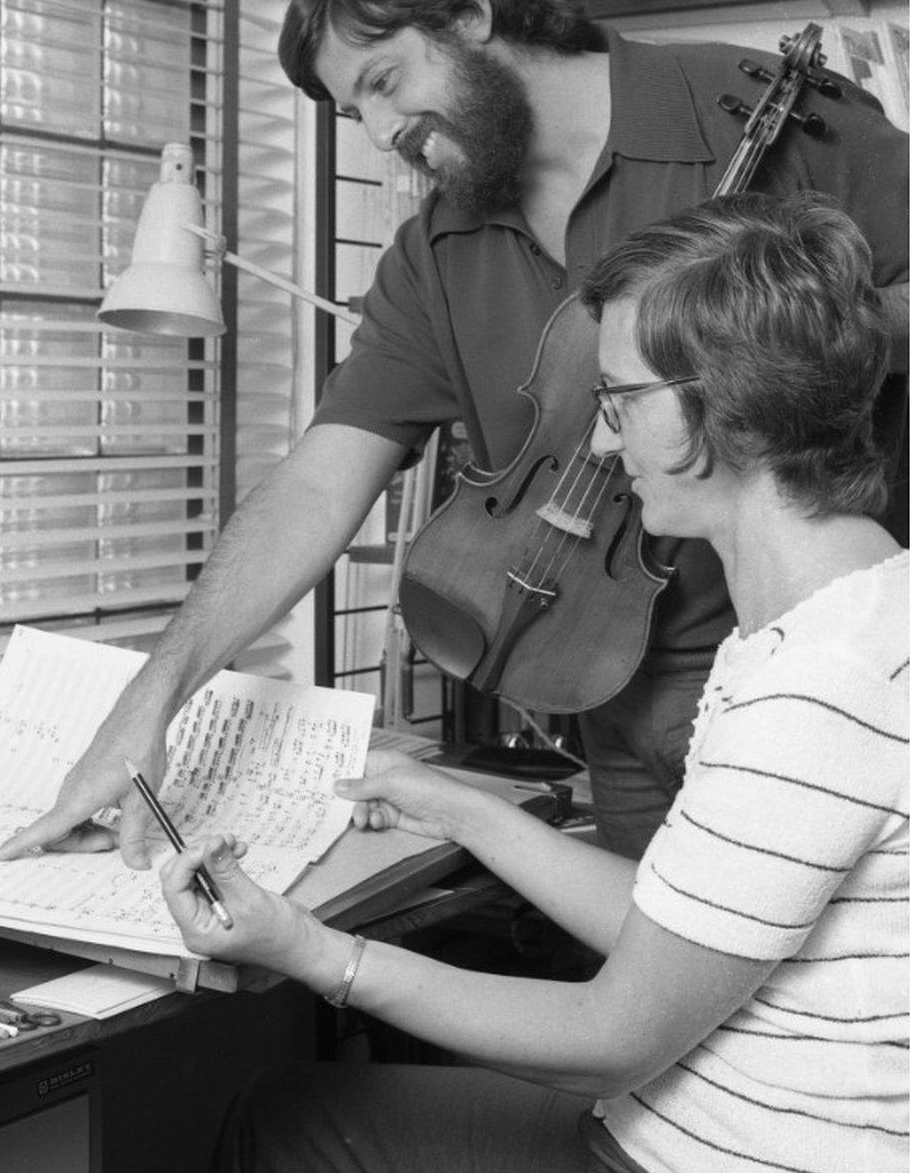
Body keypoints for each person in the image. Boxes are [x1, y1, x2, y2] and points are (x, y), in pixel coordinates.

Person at [0, 0, 909, 866]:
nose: (381, 129)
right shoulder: (433, 251)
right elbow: (316, 482)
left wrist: (778, 330)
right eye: (356, 108)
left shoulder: (752, 111)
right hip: (606, 693)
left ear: (472, 16)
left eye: (387, 80)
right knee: (674, 1010)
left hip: (823, 682)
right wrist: (153, 695)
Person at [160, 191, 908, 1173]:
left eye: (617, 400)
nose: (599, 442)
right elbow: (677, 928)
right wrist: (459, 807)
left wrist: (309, 951)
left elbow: (614, 1030)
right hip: (688, 1128)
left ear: (717, 403)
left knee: (296, 1122)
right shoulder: (848, 610)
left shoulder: (818, 685)